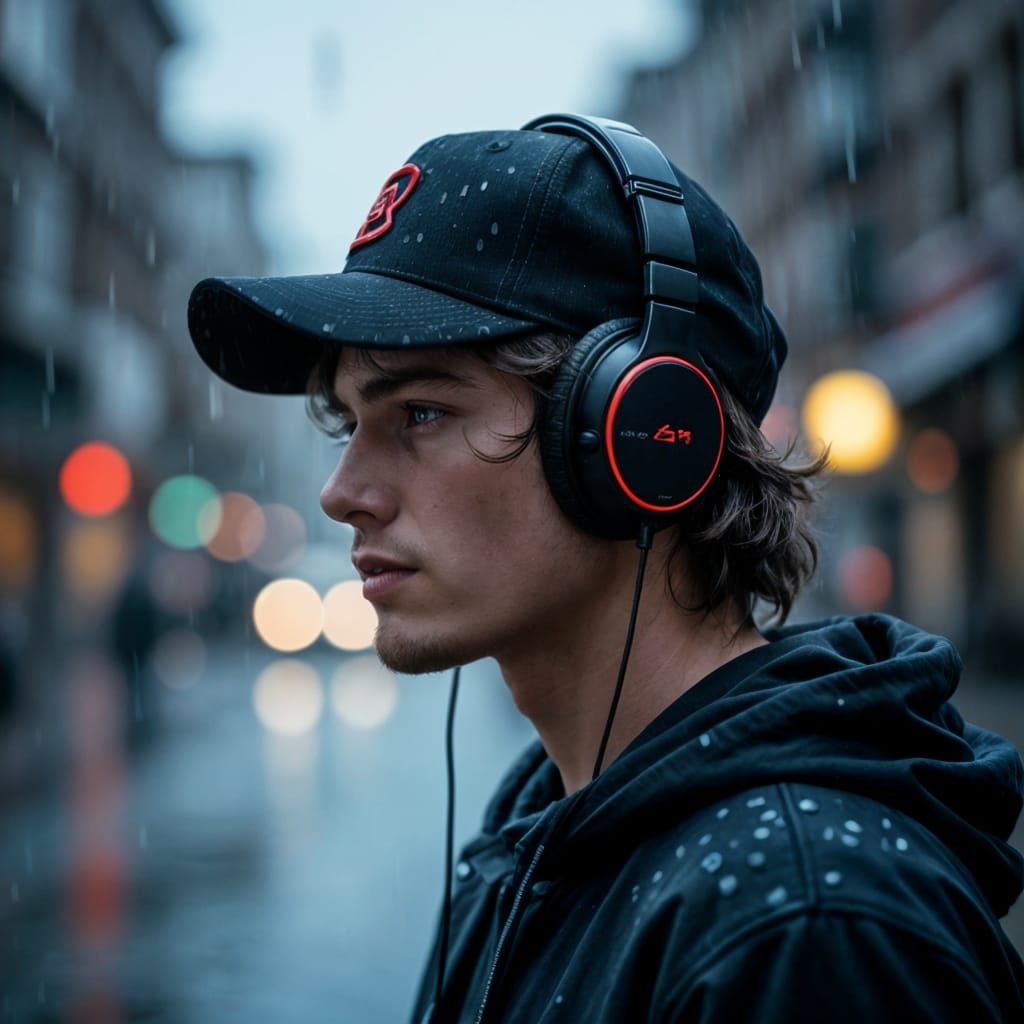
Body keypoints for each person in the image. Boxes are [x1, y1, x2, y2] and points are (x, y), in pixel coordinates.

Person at [187, 115, 1024, 1022]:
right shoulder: (543, 840)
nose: (341, 493)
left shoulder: (806, 926)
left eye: (420, 413)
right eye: (352, 425)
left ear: (636, 435)